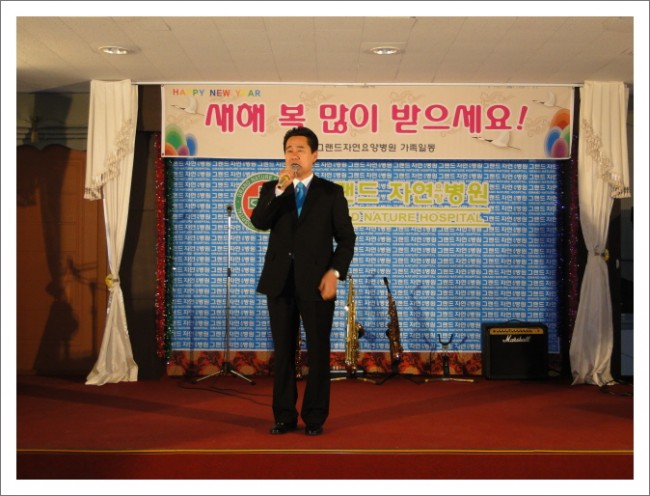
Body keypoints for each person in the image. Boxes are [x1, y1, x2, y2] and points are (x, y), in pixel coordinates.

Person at [250, 126, 356, 436]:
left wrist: (334, 273)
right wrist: (279, 189)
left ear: (314, 155)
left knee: (318, 351)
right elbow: (259, 222)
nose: (294, 155)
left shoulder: (331, 192)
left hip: (316, 284)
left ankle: (314, 417)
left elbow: (347, 239)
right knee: (283, 352)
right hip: (279, 283)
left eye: (300, 150)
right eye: (289, 150)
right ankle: (284, 416)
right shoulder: (273, 189)